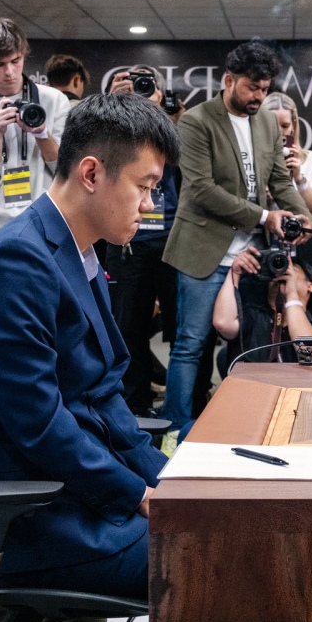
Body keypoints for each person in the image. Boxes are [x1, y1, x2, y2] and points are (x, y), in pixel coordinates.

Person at [0, 92, 179, 598]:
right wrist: (138, 494)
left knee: (233, 532)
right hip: (47, 524)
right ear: (92, 174)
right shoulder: (16, 265)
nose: (150, 206)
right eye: (144, 187)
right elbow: (40, 427)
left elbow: (100, 394)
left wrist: (174, 478)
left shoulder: (77, 252)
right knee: (233, 558)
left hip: (85, 500)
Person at [161, 40, 310, 441]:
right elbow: (201, 189)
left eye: (264, 89)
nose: (258, 98)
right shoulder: (195, 121)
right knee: (190, 346)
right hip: (202, 249)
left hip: (252, 253)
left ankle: (245, 420)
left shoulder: (264, 121)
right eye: (251, 88)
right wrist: (266, 215)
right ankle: (175, 430)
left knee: (251, 340)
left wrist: (304, 216)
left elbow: (279, 179)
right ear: (229, 80)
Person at [0, 17, 70, 261]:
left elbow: (64, 170)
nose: (9, 72)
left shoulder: (55, 101)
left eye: (15, 61)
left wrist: (41, 134)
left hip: (42, 222)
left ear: (24, 56)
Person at [102, 65, 181, 414]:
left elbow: (178, 160)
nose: (140, 90)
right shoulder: (108, 123)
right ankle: (134, 408)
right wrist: (115, 109)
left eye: (146, 86)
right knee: (127, 330)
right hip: (126, 240)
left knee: (180, 332)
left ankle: (180, 407)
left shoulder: (169, 122)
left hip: (172, 241)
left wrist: (160, 114)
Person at [213, 249, 312, 364]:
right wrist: (234, 273)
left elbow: (308, 351)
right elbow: (223, 323)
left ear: (309, 286)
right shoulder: (253, 317)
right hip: (254, 387)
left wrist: (291, 294)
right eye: (277, 270)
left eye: (291, 270)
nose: (281, 274)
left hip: (297, 388)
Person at [262, 92, 312, 219]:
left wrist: (299, 178)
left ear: (293, 125)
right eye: (272, 125)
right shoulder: (247, 157)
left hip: (297, 236)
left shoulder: (311, 160)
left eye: (285, 126)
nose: (279, 131)